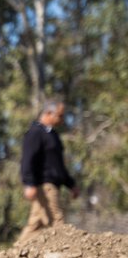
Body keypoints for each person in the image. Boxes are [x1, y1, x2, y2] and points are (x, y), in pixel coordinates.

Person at [18, 100, 79, 241]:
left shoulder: (53, 135)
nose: (62, 119)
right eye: (60, 115)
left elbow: (58, 165)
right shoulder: (35, 133)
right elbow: (27, 159)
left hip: (53, 185)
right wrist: (29, 183)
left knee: (35, 225)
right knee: (57, 223)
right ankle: (70, 256)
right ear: (48, 113)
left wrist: (71, 184)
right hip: (45, 186)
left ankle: (12, 256)